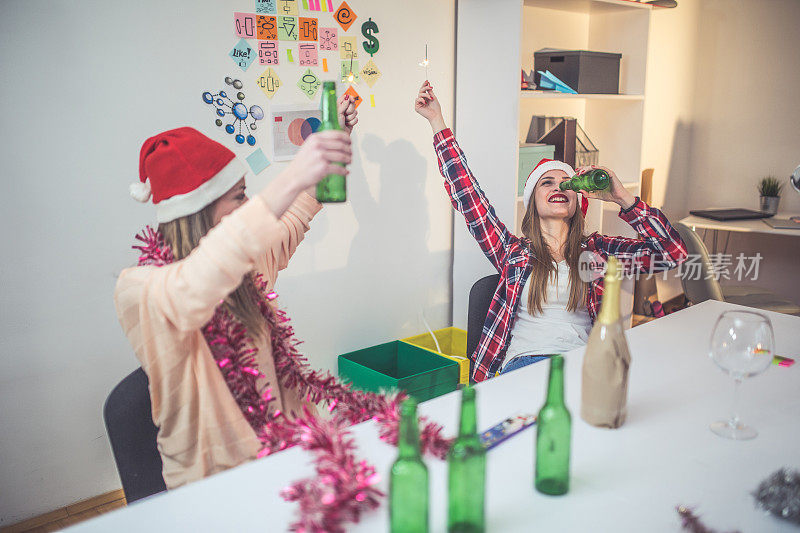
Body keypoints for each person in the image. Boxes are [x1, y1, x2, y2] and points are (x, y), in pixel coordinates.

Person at [114, 97, 357, 489]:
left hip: (284, 455)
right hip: (215, 485)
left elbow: (293, 217)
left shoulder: (246, 266)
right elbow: (196, 285)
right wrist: (291, 175)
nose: (250, 204)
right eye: (239, 196)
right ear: (200, 210)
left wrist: (334, 144)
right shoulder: (142, 291)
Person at [414, 81, 687, 382]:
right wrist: (436, 121)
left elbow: (671, 253)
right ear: (533, 202)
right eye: (547, 183)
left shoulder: (599, 252)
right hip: (524, 365)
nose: (558, 187)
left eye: (565, 183)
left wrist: (623, 198)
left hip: (583, 367)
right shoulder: (512, 252)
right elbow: (468, 194)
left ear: (577, 201)